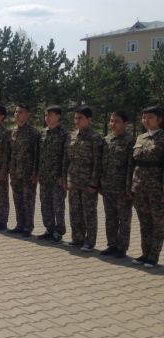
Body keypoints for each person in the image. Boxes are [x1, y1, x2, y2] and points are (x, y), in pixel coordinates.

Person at [62, 106, 103, 252]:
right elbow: (66, 159)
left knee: (89, 213)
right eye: (75, 118)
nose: (77, 121)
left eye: (80, 118)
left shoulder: (95, 138)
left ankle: (89, 241)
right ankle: (77, 238)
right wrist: (65, 177)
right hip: (73, 180)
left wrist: (94, 183)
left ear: (89, 119)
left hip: (87, 182)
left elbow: (98, 163)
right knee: (74, 211)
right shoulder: (71, 136)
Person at [129, 106, 164, 268]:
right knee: (144, 222)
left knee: (158, 223)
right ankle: (145, 253)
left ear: (159, 119)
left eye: (150, 117)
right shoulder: (140, 138)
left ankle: (153, 256)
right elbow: (134, 163)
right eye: (144, 117)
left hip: (156, 188)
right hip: (139, 187)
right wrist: (130, 186)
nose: (146, 120)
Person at [100, 110, 134, 259]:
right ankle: (112, 245)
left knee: (124, 219)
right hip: (107, 186)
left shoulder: (130, 141)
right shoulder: (107, 140)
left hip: (122, 188)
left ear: (125, 123)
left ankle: (122, 248)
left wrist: (128, 188)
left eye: (116, 121)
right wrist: (100, 183)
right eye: (111, 121)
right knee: (110, 218)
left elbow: (130, 167)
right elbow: (102, 163)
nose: (113, 124)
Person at [37, 105, 68, 243]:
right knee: (45, 204)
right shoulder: (43, 133)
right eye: (46, 115)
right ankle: (49, 229)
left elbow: (66, 157)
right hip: (44, 176)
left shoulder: (64, 134)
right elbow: (39, 155)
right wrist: (37, 172)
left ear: (58, 116)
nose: (47, 118)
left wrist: (63, 176)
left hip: (57, 177)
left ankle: (59, 231)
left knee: (58, 206)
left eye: (50, 115)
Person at [8, 104, 40, 237]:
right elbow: (10, 152)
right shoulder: (12, 131)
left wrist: (35, 172)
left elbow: (37, 154)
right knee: (17, 199)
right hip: (15, 172)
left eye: (20, 112)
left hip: (28, 173)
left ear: (27, 115)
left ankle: (28, 226)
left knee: (28, 200)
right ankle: (19, 225)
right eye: (16, 112)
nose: (17, 114)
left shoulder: (34, 133)